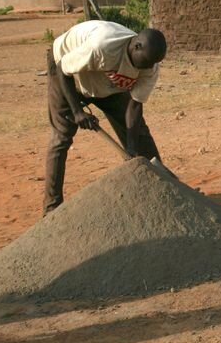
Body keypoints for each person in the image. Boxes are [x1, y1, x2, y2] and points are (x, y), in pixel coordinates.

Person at [44, 20, 166, 214]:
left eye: (151, 64)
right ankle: (51, 208)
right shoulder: (101, 47)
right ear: (136, 46)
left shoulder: (150, 66)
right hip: (67, 74)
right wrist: (77, 112)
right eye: (144, 63)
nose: (147, 68)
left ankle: (166, 190)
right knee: (61, 137)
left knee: (138, 134)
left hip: (107, 85)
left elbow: (135, 105)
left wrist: (132, 148)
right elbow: (62, 69)